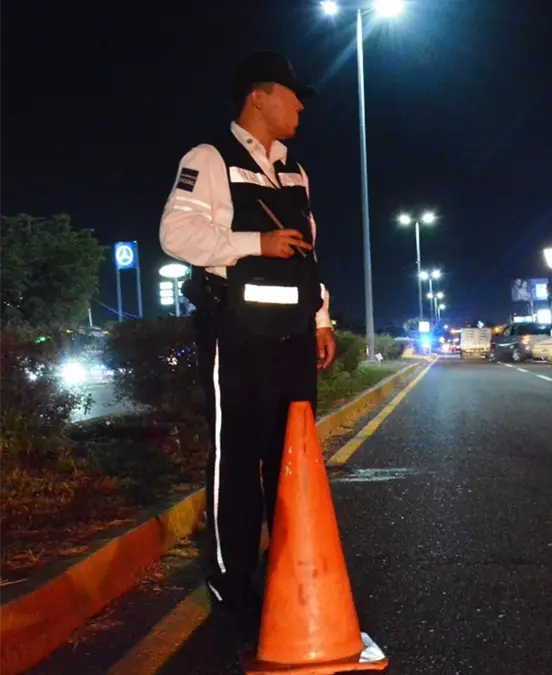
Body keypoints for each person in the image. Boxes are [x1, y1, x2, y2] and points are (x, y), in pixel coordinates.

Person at [159, 50, 336, 640]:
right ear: (258, 97)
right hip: (236, 336)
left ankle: (292, 573)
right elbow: (176, 234)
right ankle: (232, 585)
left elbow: (309, 252)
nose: (301, 105)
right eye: (292, 94)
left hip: (294, 338)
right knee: (236, 461)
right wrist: (254, 243)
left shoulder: (294, 171)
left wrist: (321, 319)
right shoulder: (209, 159)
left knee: (290, 461)